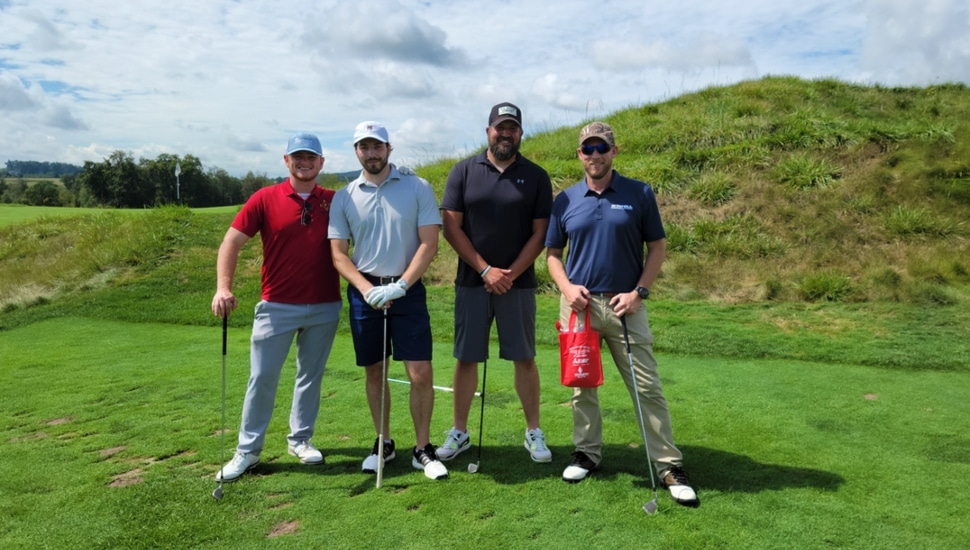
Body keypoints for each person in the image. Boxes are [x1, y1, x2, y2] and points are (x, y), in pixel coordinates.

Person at [545, 121, 699, 507]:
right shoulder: (565, 199)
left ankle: (668, 465)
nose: (594, 155)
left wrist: (639, 293)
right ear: (579, 155)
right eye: (587, 149)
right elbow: (552, 255)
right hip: (578, 306)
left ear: (614, 151)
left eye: (602, 148)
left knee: (646, 386)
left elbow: (657, 248)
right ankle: (587, 454)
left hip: (624, 305)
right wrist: (566, 288)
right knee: (582, 386)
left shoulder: (639, 193)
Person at [211, 132, 341, 482]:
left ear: (321, 163)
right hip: (276, 306)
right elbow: (231, 242)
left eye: (311, 157)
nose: (304, 162)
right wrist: (223, 287)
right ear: (286, 161)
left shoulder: (335, 200)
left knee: (309, 378)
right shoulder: (265, 198)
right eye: (297, 156)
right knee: (262, 378)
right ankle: (248, 451)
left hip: (326, 305)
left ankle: (300, 440)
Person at [328, 121, 448, 481]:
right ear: (356, 152)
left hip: (407, 292)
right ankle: (384, 442)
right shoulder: (344, 196)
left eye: (377, 146)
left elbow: (429, 243)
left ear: (388, 149)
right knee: (375, 372)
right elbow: (338, 254)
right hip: (365, 295)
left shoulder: (417, 187)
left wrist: (402, 285)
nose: (371, 153)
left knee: (420, 372)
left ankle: (423, 449)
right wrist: (366, 289)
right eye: (364, 147)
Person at [437, 102, 554, 463]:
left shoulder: (536, 176)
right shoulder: (463, 171)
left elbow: (540, 233)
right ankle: (460, 431)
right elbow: (450, 225)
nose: (505, 134)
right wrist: (486, 269)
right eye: (499, 127)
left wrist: (510, 274)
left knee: (524, 357)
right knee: (466, 357)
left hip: (517, 284)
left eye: (512, 128)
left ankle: (533, 431)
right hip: (472, 281)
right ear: (488, 131)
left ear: (520, 133)